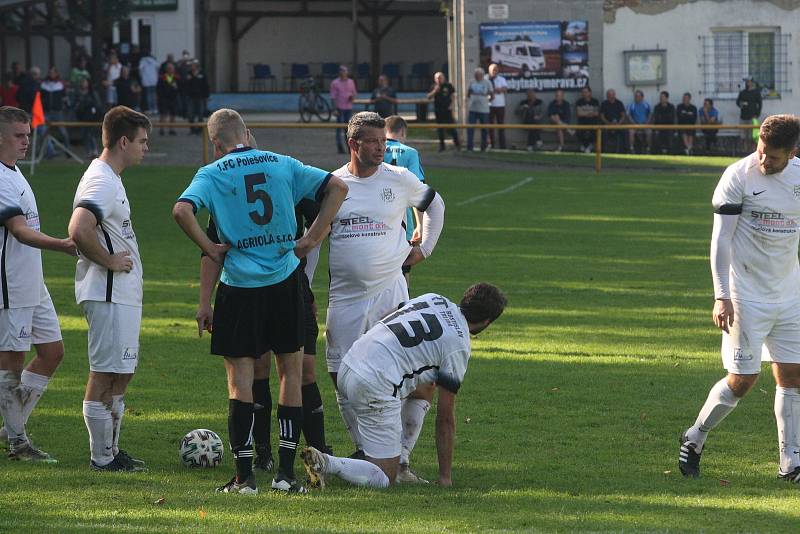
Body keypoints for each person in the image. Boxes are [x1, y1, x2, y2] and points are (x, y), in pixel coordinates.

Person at [173, 108, 348, 494]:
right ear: (248, 134)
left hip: (239, 287)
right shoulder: (283, 163)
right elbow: (338, 187)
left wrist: (210, 248)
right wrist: (312, 238)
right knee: (290, 373)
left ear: (215, 144)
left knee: (241, 382)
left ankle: (245, 478)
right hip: (285, 282)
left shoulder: (212, 173)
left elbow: (181, 210)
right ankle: (285, 476)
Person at [196, 134, 332, 476]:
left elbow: (319, 220)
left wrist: (307, 273)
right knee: (272, 371)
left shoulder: (232, 177)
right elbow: (212, 248)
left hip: (283, 287)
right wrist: (204, 299)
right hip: (279, 286)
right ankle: (268, 457)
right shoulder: (262, 175)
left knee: (296, 372)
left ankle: (314, 453)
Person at [678, 115, 800, 483]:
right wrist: (721, 295)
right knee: (743, 379)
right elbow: (721, 240)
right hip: (745, 295)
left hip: (790, 295)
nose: (764, 161)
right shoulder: (737, 176)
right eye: (762, 152)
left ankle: (790, 462)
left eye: (774, 157)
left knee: (793, 376)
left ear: (793, 153)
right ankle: (695, 436)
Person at [326, 112, 445, 483]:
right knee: (341, 375)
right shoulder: (332, 184)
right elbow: (314, 236)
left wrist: (423, 248)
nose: (381, 148)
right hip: (344, 298)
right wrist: (302, 286)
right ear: (353, 144)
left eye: (383, 141)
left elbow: (435, 205)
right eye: (374, 142)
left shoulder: (399, 178)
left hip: (391, 292)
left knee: (416, 374)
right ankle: (366, 452)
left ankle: (401, 458)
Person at [303, 283, 507, 489]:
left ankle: (402, 462)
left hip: (351, 362)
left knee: (427, 386)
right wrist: (445, 477)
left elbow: (392, 313)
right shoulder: (459, 345)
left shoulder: (434, 296)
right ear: (487, 321)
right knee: (384, 477)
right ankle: (327, 462)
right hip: (373, 383)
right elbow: (445, 418)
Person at [68, 106, 151, 472]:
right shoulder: (100, 181)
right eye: (142, 141)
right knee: (104, 372)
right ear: (123, 141)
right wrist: (108, 260)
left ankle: (112, 449)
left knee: (122, 371)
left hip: (121, 294)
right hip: (107, 292)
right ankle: (101, 457)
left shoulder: (110, 177)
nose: (145, 148)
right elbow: (78, 227)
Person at [0, 106, 76, 462]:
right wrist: (61, 244)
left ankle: (11, 426)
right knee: (11, 363)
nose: (27, 140)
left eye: (27, 133)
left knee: (52, 353)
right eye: (19, 135)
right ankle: (18, 443)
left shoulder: (15, 173)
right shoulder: (0, 178)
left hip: (34, 281)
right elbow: (19, 230)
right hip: (11, 284)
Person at [384, 115, 425, 286]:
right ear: (402, 131)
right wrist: (420, 225)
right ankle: (402, 307)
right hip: (403, 221)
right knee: (403, 271)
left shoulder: (374, 148)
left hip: (377, 216)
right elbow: (418, 191)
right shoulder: (410, 153)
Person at [426, 72, 459, 152]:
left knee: (452, 128)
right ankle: (442, 146)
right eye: (437, 78)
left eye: (440, 78)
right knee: (440, 129)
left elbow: (453, 96)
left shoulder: (448, 86)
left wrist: (452, 105)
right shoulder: (433, 87)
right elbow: (428, 97)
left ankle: (457, 144)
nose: (439, 79)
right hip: (438, 110)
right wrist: (435, 91)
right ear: (435, 79)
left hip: (447, 110)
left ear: (444, 78)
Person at [330, 65, 358, 154]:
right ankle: (340, 147)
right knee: (338, 129)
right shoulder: (335, 83)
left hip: (348, 108)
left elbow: (354, 93)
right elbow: (333, 97)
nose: (343, 73)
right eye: (341, 71)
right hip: (339, 108)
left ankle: (349, 147)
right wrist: (334, 109)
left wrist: (352, 98)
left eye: (344, 71)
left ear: (347, 72)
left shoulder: (351, 82)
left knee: (349, 129)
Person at [74, 78, 104, 158]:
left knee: (90, 134)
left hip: (91, 117)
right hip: (82, 117)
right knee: (85, 135)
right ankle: (88, 152)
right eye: (82, 82)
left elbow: (97, 105)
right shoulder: (78, 94)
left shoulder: (92, 93)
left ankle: (94, 151)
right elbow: (76, 105)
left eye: (85, 82)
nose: (84, 84)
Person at [466, 68, 492, 152]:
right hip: (472, 109)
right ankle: (470, 147)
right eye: (476, 75)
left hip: (484, 110)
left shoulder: (487, 82)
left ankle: (483, 147)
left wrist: (486, 100)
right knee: (470, 129)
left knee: (484, 129)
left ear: (482, 75)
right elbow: (468, 94)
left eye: (479, 75)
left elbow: (492, 94)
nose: (477, 77)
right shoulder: (471, 82)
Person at [737, 77, 762, 153]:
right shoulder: (742, 92)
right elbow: (738, 102)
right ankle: (744, 151)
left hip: (752, 117)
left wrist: (757, 115)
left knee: (752, 136)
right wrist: (741, 104)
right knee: (743, 136)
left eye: (748, 81)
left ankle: (752, 151)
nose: (747, 83)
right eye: (746, 82)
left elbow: (760, 104)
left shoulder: (756, 92)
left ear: (752, 82)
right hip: (743, 117)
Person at [184, 62, 210, 135]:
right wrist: (191, 77)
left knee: (200, 113)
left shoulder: (202, 73)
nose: (193, 67)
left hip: (200, 97)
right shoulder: (188, 74)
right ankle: (192, 129)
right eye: (192, 65)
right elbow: (185, 84)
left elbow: (206, 85)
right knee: (190, 114)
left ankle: (199, 130)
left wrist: (206, 95)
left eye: (194, 65)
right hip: (191, 97)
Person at [487, 63, 508, 150]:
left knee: (501, 126)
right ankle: (491, 145)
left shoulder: (502, 79)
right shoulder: (486, 79)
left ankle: (503, 146)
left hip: (500, 105)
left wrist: (499, 89)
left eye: (496, 69)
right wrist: (493, 91)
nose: (494, 71)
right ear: (489, 71)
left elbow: (505, 89)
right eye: (492, 70)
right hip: (489, 105)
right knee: (490, 126)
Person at [575, 86, 600, 153]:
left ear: (590, 93)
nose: (584, 93)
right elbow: (579, 114)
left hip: (593, 122)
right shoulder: (579, 102)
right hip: (582, 122)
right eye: (583, 92)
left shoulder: (595, 101)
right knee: (580, 130)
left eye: (586, 92)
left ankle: (589, 145)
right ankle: (584, 145)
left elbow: (596, 113)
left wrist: (585, 113)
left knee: (592, 130)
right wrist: (590, 113)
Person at [599, 89, 625, 153]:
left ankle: (621, 150)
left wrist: (619, 123)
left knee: (624, 131)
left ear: (614, 95)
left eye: (611, 95)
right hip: (607, 124)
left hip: (618, 124)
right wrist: (608, 123)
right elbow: (602, 116)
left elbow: (623, 116)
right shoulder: (604, 104)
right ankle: (604, 150)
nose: (610, 96)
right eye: (608, 95)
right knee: (603, 132)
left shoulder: (619, 103)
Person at [156, 63, 179, 136]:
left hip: (173, 98)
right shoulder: (162, 77)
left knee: (173, 114)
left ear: (174, 69)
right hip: (164, 99)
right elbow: (158, 89)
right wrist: (160, 97)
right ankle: (161, 129)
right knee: (163, 114)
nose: (170, 70)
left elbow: (180, 88)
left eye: (171, 68)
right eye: (169, 68)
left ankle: (172, 129)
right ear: (166, 69)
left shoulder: (177, 78)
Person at [627, 90, 651, 154]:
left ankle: (648, 148)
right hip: (635, 125)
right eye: (635, 96)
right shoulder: (631, 105)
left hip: (644, 124)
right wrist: (634, 123)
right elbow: (629, 116)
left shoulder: (646, 105)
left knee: (649, 132)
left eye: (638, 96)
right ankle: (631, 149)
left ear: (642, 97)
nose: (636, 98)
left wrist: (646, 123)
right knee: (631, 132)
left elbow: (650, 115)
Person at [138, 49, 160, 115]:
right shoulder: (154, 60)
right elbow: (158, 68)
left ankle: (150, 109)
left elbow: (140, 69)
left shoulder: (143, 61)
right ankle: (155, 108)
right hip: (154, 80)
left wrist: (142, 77)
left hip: (146, 80)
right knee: (154, 95)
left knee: (148, 95)